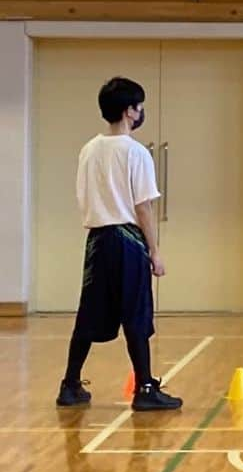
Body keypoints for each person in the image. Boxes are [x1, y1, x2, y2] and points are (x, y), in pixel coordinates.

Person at [56, 77, 182, 411]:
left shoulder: (89, 149)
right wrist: (154, 250)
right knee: (136, 314)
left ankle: (70, 384)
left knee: (89, 312)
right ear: (130, 111)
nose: (140, 113)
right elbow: (143, 206)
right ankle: (144, 388)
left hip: (97, 240)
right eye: (139, 107)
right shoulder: (135, 153)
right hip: (127, 240)